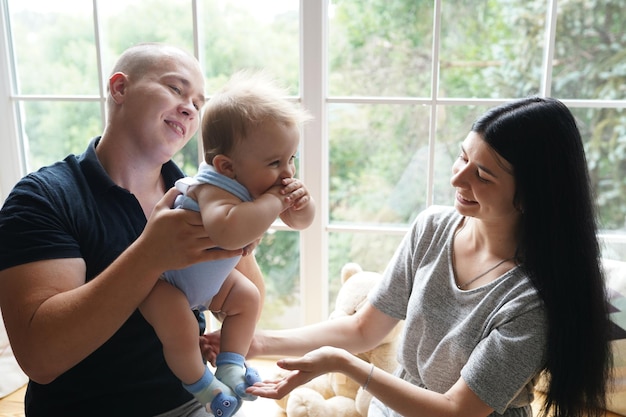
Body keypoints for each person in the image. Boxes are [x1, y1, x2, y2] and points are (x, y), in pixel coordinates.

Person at [226, 97, 612, 417]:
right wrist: (255, 343)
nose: (458, 180)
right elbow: (364, 329)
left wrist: (343, 363)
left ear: (530, 195)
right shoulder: (433, 228)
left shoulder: (531, 301)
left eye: (483, 175)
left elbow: (456, 410)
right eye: (463, 158)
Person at [0, 43, 264, 417]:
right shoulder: (43, 198)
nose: (190, 107)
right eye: (176, 88)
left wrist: (243, 238)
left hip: (193, 403)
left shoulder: (198, 195)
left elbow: (247, 296)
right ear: (119, 88)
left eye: (199, 103)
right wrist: (149, 254)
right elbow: (41, 359)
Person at [139, 70, 315, 417]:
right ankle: (201, 384)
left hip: (208, 282)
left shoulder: (257, 187)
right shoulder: (210, 188)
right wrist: (274, 203)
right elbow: (227, 232)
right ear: (226, 166)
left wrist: (301, 204)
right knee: (182, 329)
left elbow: (300, 223)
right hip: (166, 285)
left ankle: (232, 365)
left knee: (246, 297)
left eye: (291, 158)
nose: (287, 173)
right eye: (275, 162)